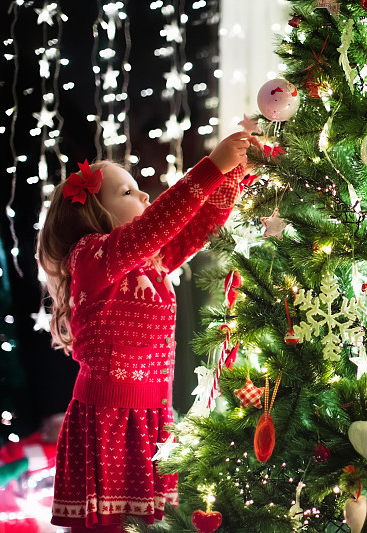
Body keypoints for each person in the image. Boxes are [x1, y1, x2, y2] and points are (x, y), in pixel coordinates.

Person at [37, 131, 255, 532]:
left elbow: (198, 226)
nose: (144, 198)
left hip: (152, 416)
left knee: (147, 525)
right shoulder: (91, 255)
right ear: (94, 215)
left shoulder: (151, 259)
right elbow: (155, 225)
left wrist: (235, 175)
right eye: (128, 192)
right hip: (108, 420)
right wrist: (211, 167)